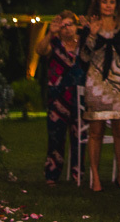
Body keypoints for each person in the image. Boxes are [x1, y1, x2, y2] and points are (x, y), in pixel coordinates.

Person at [79, 0, 120, 192]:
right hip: (96, 83)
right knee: (96, 131)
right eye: (105, 1)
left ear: (116, 6)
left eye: (112, 2)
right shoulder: (89, 27)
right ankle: (95, 176)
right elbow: (84, 57)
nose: (108, 5)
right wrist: (92, 35)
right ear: (98, 4)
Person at [35, 10, 85, 185]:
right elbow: (39, 50)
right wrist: (51, 32)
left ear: (76, 26)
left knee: (79, 137)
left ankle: (78, 174)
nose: (66, 29)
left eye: (69, 25)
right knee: (56, 138)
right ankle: (52, 174)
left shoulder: (83, 44)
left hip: (79, 98)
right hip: (57, 99)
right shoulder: (54, 43)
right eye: (62, 26)